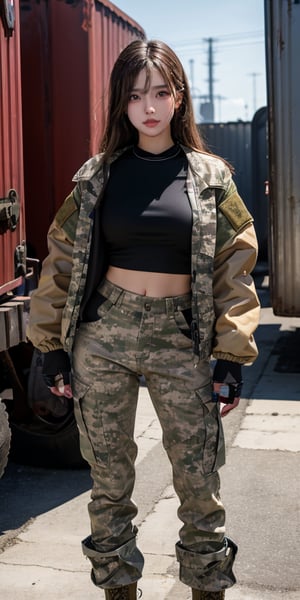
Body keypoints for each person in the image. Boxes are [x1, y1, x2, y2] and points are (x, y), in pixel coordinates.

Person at [27, 39, 260, 600]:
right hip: (103, 336)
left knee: (199, 481)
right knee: (109, 483)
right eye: (135, 95)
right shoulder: (96, 177)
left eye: (160, 92)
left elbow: (237, 265)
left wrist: (229, 355)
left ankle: (207, 589)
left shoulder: (211, 177)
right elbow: (60, 259)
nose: (148, 107)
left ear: (178, 97)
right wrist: (50, 346)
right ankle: (117, 592)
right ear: (121, 104)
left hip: (180, 337)